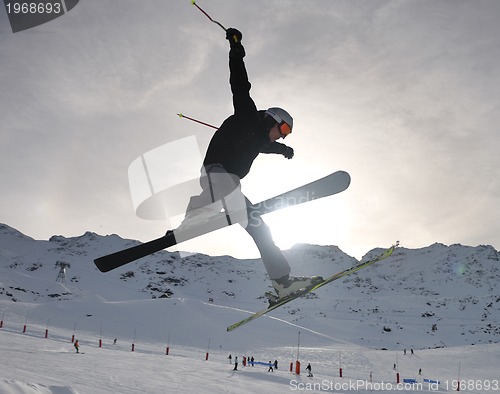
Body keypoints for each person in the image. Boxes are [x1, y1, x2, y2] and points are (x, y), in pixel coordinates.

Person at [172, 27, 321, 300]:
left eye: (287, 133)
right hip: (216, 171)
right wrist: (236, 50)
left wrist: (283, 149)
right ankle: (194, 215)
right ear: (272, 119)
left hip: (230, 186)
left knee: (260, 228)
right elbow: (239, 83)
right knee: (221, 188)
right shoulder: (248, 116)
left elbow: (267, 146)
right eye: (284, 128)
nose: (283, 134)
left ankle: (282, 282)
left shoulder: (262, 140)